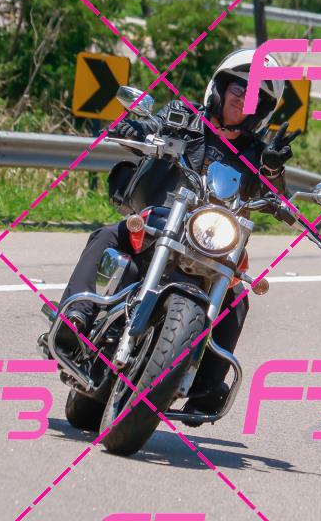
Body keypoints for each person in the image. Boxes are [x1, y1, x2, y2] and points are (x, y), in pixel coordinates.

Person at [56, 48, 297, 414]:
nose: (242, 99)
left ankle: (206, 385)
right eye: (238, 87)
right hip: (160, 225)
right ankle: (75, 318)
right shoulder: (183, 118)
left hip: (211, 243)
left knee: (237, 297)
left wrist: (275, 171)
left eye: (254, 97)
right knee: (107, 236)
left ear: (261, 110)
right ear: (220, 88)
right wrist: (135, 129)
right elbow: (149, 128)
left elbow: (277, 194)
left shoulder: (258, 156)